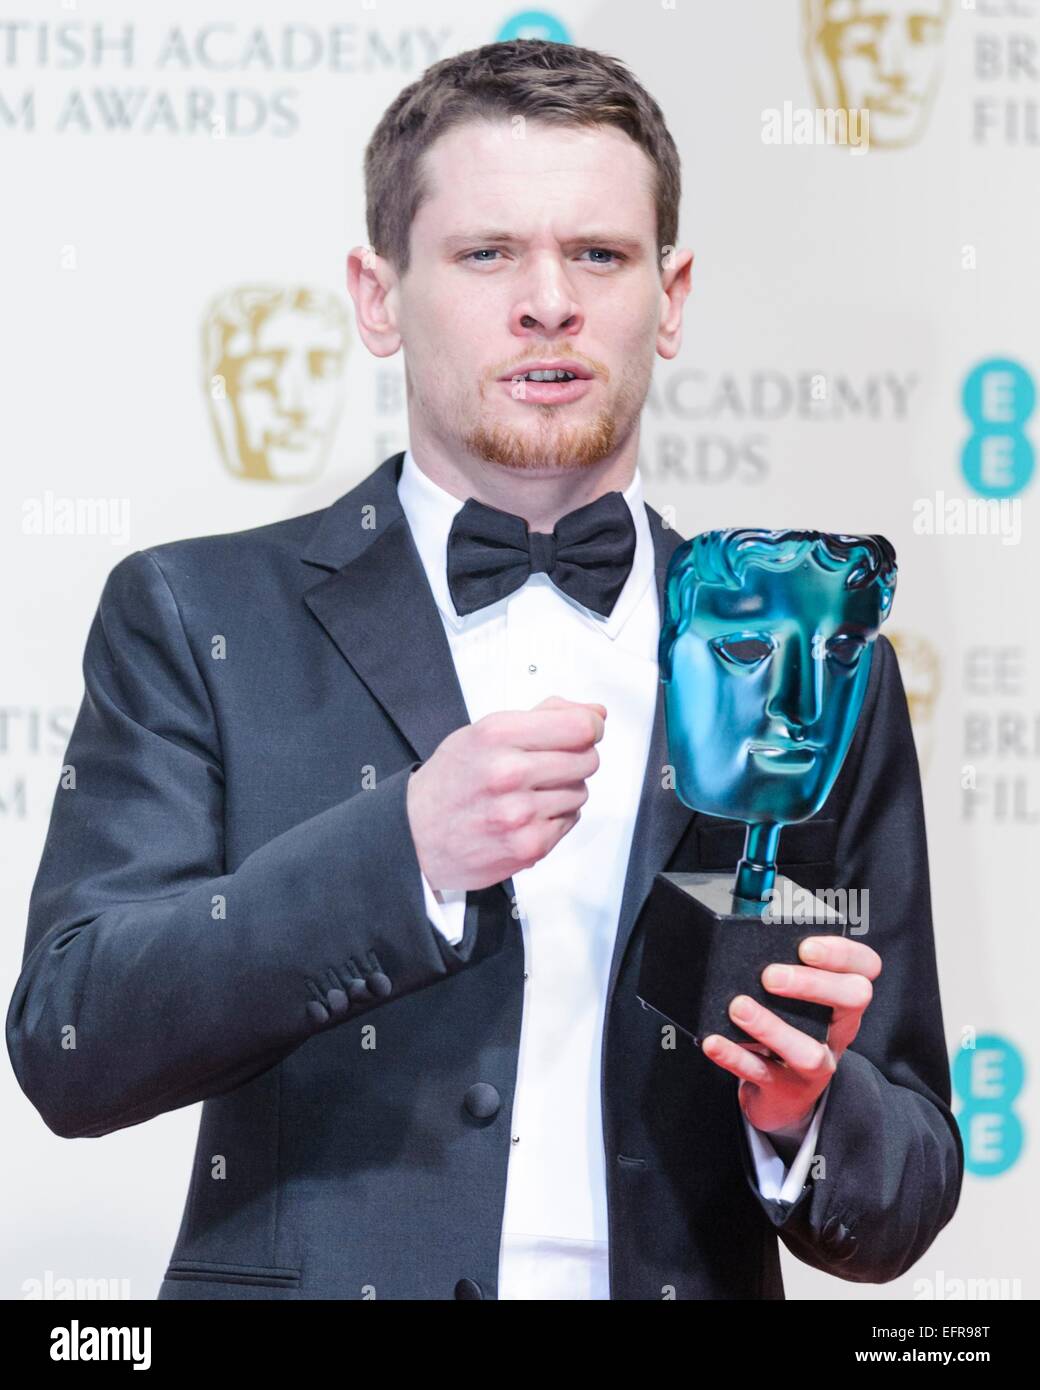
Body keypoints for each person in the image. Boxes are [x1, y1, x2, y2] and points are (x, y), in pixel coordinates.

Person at [6, 37, 962, 1301]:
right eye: (485, 252)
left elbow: (907, 1178)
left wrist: (804, 1113)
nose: (548, 301)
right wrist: (400, 855)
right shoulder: (193, 613)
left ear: (668, 297)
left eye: (599, 254)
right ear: (375, 291)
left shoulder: (807, 654)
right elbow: (74, 1041)